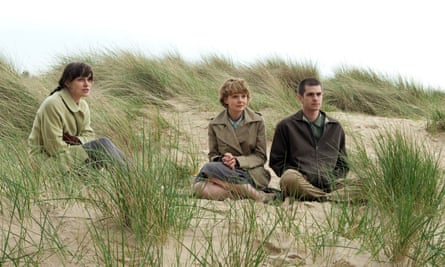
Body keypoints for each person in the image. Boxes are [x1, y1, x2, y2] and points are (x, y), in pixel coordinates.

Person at [269, 77, 357, 201]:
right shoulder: (286, 125)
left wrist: (333, 178)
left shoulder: (335, 127)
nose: (315, 98)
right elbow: (276, 161)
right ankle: (329, 198)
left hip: (330, 184)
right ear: (300, 98)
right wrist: (300, 174)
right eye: (310, 94)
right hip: (301, 182)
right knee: (288, 179)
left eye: (318, 94)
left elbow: (343, 163)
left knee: (368, 183)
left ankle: (322, 197)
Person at [28, 62, 126, 171]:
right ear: (67, 83)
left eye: (89, 80)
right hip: (47, 162)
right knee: (102, 145)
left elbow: (89, 135)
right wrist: (82, 148)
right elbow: (54, 148)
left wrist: (76, 140)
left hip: (70, 155)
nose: (86, 84)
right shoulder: (53, 104)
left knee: (108, 148)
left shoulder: (83, 105)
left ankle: (135, 179)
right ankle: (131, 180)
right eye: (80, 80)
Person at [192, 78, 275, 202]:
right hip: (224, 170)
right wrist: (224, 160)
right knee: (198, 187)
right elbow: (213, 155)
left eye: (244, 96)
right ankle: (246, 194)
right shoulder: (215, 124)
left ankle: (255, 195)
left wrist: (237, 161)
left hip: (250, 171)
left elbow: (261, 156)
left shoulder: (257, 121)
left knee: (208, 169)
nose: (240, 100)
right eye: (235, 96)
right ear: (225, 99)